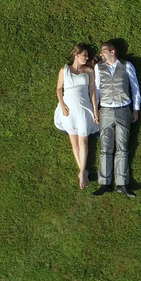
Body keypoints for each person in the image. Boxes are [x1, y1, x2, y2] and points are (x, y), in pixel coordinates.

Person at [92, 39, 141, 197]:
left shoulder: (127, 66)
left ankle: (122, 183)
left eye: (104, 51)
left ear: (112, 52)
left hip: (123, 110)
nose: (101, 54)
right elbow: (97, 90)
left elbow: (135, 88)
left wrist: (136, 109)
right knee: (105, 148)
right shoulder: (98, 67)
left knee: (122, 148)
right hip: (105, 110)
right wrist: (96, 111)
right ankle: (105, 184)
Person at [54, 43, 100, 189]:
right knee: (74, 143)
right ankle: (83, 172)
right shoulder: (64, 70)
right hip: (68, 110)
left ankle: (82, 172)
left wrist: (95, 110)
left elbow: (92, 91)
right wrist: (62, 104)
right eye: (84, 55)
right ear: (77, 55)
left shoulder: (89, 71)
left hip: (84, 109)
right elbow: (58, 88)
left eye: (87, 55)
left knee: (84, 142)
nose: (86, 58)